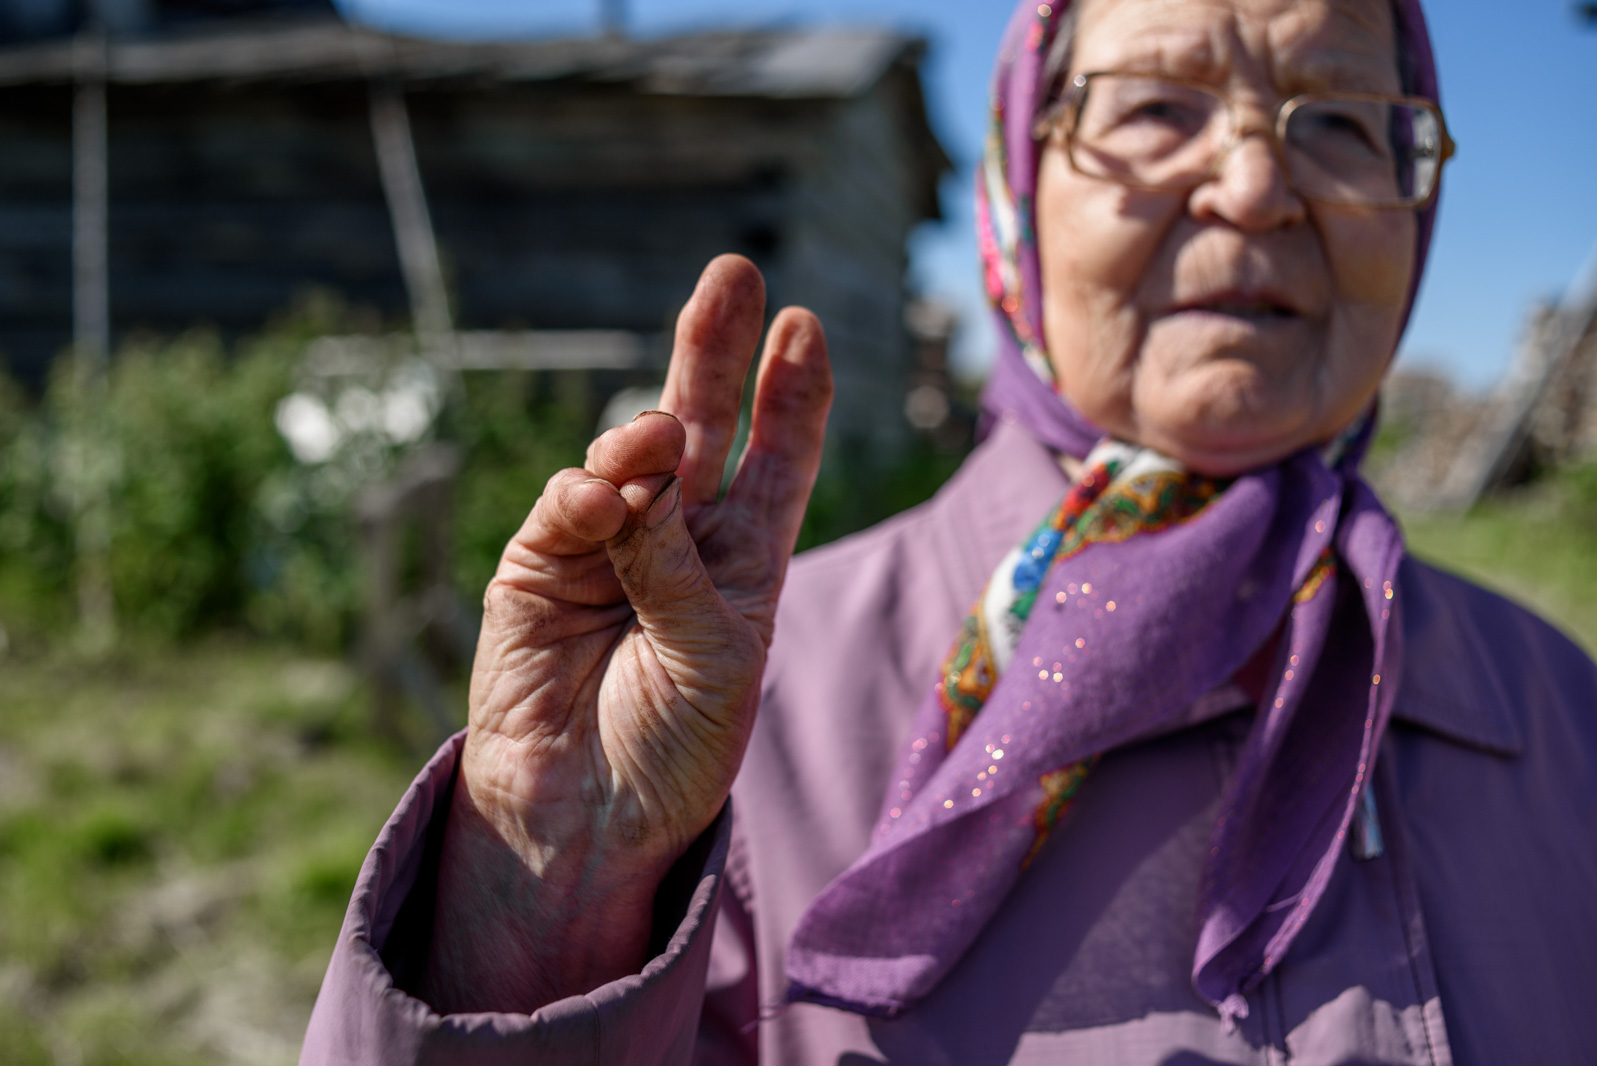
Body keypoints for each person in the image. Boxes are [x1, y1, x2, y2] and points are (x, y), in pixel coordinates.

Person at [301, 0, 1597, 1061]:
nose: (1255, 186)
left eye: (1339, 122)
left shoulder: (1552, 708)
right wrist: (540, 891)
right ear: (1016, 188)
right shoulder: (736, 704)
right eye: (1154, 106)